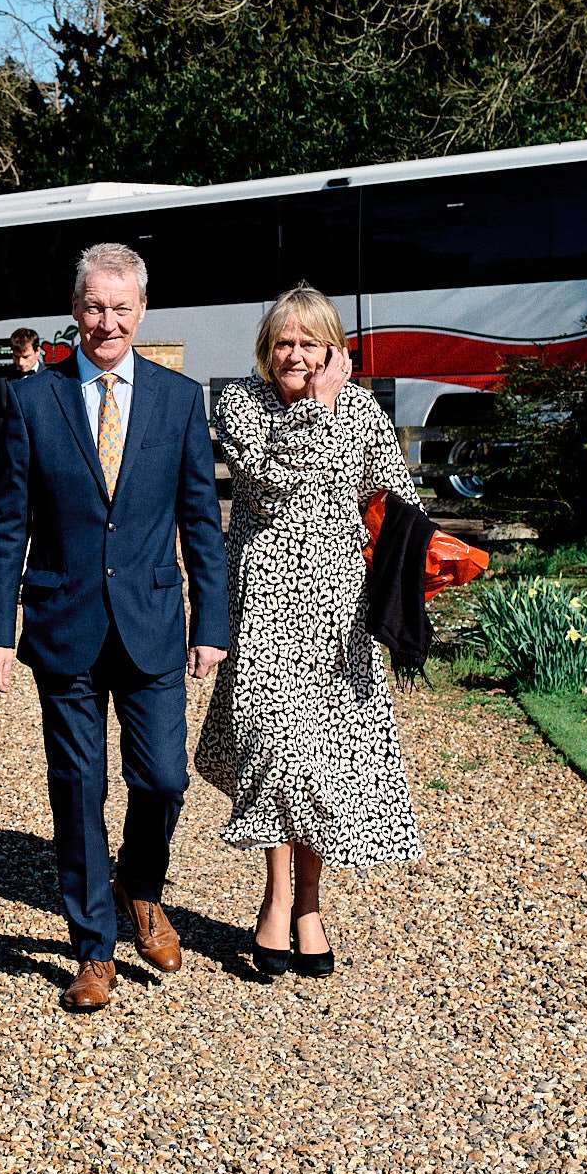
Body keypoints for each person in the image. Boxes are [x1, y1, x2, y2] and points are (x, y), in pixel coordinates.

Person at [0, 243, 230, 1012]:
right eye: (93, 307)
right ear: (75, 310)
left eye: (121, 308)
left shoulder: (180, 401)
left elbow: (200, 522)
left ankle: (142, 886)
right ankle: (91, 948)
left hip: (153, 622)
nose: (106, 321)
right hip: (64, 622)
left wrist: (209, 620)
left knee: (163, 777)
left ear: (142, 311)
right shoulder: (32, 401)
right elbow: (8, 525)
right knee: (78, 787)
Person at [195, 283, 424, 982]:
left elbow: (394, 494)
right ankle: (275, 896)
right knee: (276, 751)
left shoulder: (361, 409)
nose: (295, 354)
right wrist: (319, 408)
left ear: (333, 349)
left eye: (309, 342)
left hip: (337, 611)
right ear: (267, 351)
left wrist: (423, 549)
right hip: (264, 604)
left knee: (323, 760)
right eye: (283, 342)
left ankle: (310, 906)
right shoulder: (243, 403)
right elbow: (267, 479)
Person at [0, 327, 45, 473]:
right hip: (6, 458)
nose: (21, 362)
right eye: (16, 357)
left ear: (37, 351)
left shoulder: (49, 378)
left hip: (38, 458)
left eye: (25, 357)